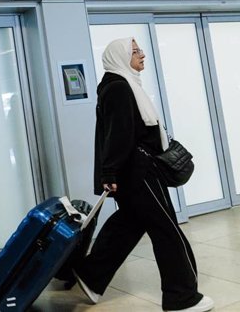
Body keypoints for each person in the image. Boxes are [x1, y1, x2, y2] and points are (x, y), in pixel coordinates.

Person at [73, 38, 213, 312]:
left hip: (133, 172)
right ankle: (180, 298)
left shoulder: (122, 85)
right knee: (167, 232)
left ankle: (90, 274)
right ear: (121, 56)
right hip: (139, 174)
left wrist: (112, 171)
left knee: (129, 224)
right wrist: (109, 171)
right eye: (135, 51)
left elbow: (118, 134)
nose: (142, 55)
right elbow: (118, 135)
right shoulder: (119, 88)